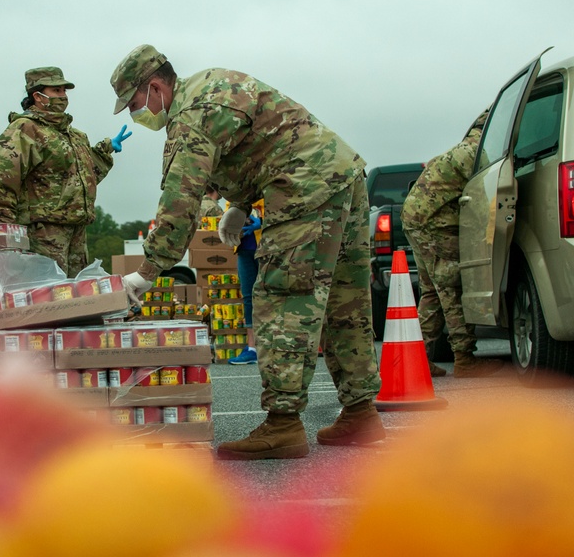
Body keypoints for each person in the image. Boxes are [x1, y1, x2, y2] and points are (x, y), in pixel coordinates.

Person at [111, 44, 384, 460]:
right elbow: (261, 143)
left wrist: (146, 272)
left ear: (154, 87)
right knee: (346, 301)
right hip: (341, 174)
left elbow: (179, 200)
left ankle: (283, 424)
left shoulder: (189, 116)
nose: (137, 114)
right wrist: (239, 205)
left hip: (302, 189)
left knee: (283, 298)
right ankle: (361, 412)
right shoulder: (213, 84)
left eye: (134, 104)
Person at [0, 67, 132, 277]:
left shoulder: (75, 135)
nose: (63, 96)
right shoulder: (25, 130)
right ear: (37, 96)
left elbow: (81, 179)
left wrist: (104, 151)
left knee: (76, 297)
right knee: (48, 296)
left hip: (76, 232)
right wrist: (1, 234)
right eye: (56, 91)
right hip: (43, 232)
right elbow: (2, 180)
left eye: (64, 91)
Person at [402, 110, 504, 378]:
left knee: (432, 293)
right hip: (434, 223)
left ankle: (418, 361)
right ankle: (464, 359)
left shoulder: (459, 150)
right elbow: (483, 200)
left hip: (417, 220)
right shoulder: (476, 154)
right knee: (450, 286)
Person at [228, 200, 263, 365]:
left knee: (270, 295)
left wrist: (262, 223)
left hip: (267, 248)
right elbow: (229, 212)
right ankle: (252, 348)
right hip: (244, 249)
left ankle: (272, 346)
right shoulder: (235, 192)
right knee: (248, 297)